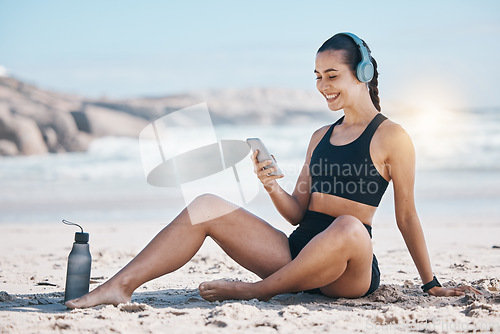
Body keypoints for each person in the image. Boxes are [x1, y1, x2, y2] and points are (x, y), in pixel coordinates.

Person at [66, 32, 479, 309]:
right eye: (318, 77)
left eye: (332, 75)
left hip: (347, 270)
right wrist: (270, 187)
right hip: (294, 257)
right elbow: (299, 213)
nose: (323, 85)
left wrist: (431, 283)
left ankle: (256, 292)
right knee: (205, 203)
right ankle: (120, 286)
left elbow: (406, 214)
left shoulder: (393, 137)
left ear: (364, 74)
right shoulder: (319, 136)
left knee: (351, 226)